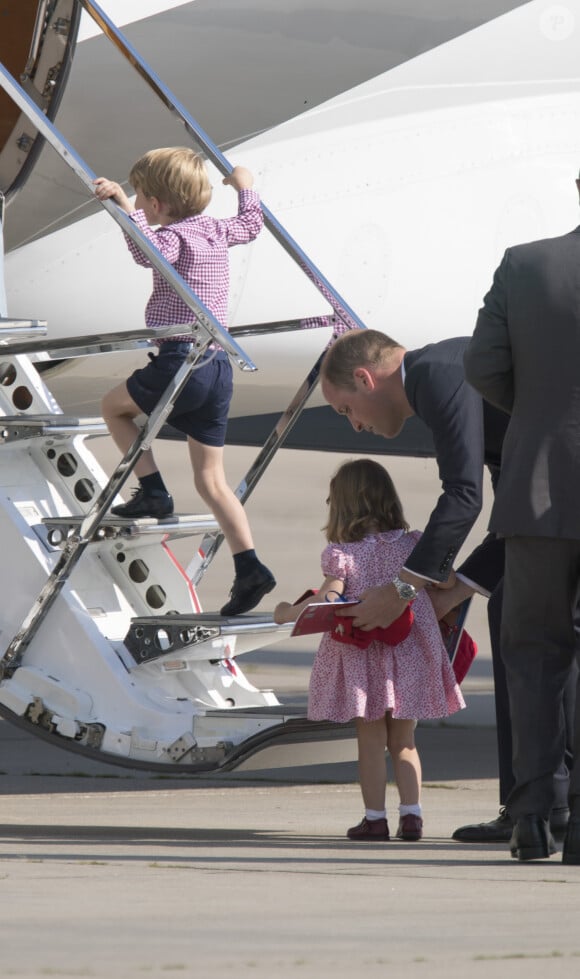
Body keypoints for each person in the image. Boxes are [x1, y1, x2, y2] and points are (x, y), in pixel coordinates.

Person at [319, 328, 573, 839]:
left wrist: (403, 590)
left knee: (531, 635)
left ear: (366, 379)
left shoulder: (437, 375)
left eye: (347, 409)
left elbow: (463, 495)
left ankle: (543, 808)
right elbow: (512, 506)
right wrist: (456, 587)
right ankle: (538, 806)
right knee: (512, 615)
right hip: (556, 499)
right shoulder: (446, 378)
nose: (356, 427)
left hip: (568, 496)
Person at [93, 148, 275, 616]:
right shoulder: (216, 229)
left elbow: (142, 249)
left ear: (153, 203)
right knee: (212, 480)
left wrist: (119, 206)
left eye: (140, 196)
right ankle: (249, 564)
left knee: (112, 409)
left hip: (180, 358)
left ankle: (153, 491)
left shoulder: (170, 238)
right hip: (217, 367)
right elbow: (250, 226)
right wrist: (245, 185)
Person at [463, 177, 580, 863]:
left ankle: (535, 813)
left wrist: (535, 412)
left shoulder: (525, 262)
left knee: (533, 652)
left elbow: (482, 365)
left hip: (536, 485)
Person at [274, 458, 465, 840]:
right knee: (405, 742)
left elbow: (328, 599)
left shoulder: (343, 555)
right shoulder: (414, 545)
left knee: (371, 741)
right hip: (410, 655)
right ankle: (412, 816)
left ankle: (374, 819)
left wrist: (286, 612)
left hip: (365, 659)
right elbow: (447, 581)